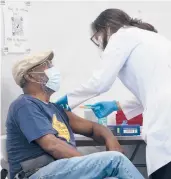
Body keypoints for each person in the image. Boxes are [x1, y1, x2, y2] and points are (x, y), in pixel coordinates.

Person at [56, 8, 171, 179]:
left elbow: (100, 82)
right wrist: (117, 105)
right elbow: (153, 89)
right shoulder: (149, 38)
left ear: (106, 29)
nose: (99, 43)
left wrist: (67, 100)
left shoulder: (121, 36)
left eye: (96, 38)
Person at [6, 51, 144, 179]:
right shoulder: (25, 105)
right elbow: (52, 145)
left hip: (59, 170)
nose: (53, 69)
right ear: (30, 76)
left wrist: (111, 139)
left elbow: (93, 128)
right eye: (47, 65)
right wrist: (89, 165)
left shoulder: (55, 109)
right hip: (35, 173)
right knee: (115, 160)